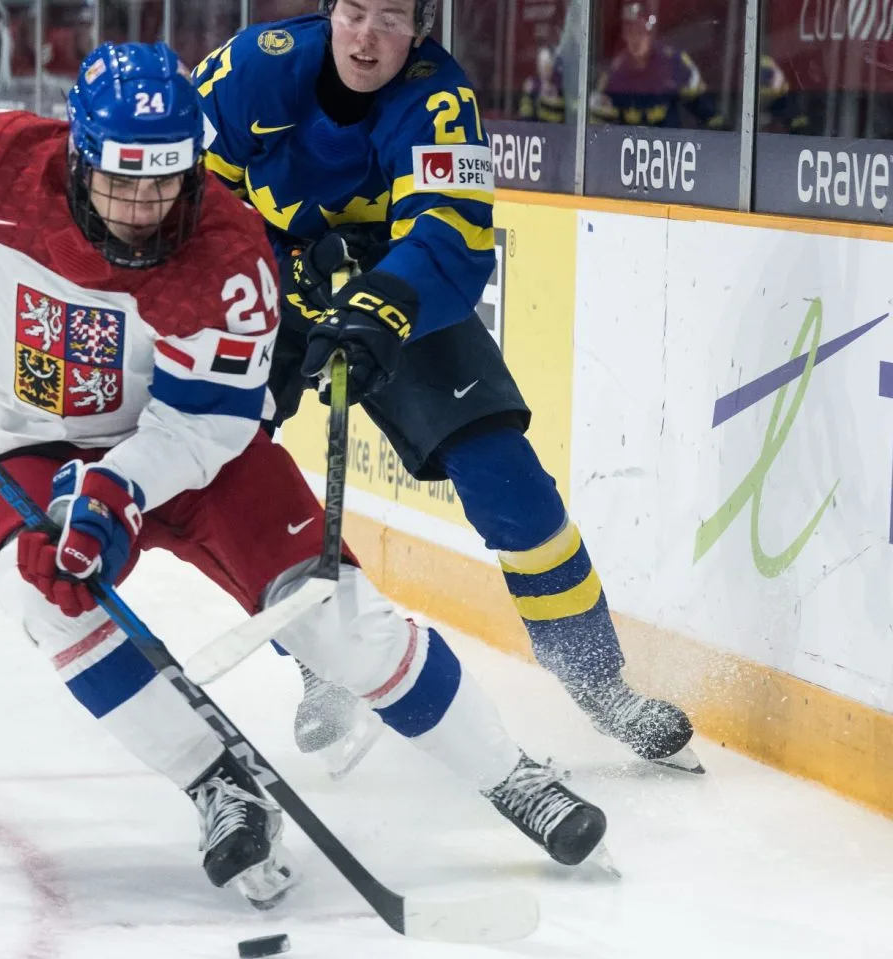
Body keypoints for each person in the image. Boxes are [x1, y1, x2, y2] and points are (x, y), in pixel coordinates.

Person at [0, 41, 610, 904]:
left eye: (165, 183)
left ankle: (510, 775)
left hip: (188, 451)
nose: (142, 208)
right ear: (76, 156)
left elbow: (206, 424)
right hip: (33, 443)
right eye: (121, 181)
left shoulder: (230, 259)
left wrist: (119, 490)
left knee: (336, 620)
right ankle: (215, 784)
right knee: (41, 587)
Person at [193, 0, 700, 774]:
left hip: (393, 290)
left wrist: (377, 301)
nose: (366, 37)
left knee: (506, 475)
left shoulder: (440, 99)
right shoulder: (252, 68)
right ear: (329, 11)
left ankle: (603, 685)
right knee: (231, 465)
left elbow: (451, 238)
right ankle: (324, 657)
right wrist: (271, 263)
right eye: (354, 11)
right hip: (259, 284)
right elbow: (189, 198)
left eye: (390, 19)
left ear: (421, 31)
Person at [590, 0, 724, 130]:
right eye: (630, 31)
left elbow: (709, 115)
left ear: (651, 33)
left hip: (670, 149)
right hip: (628, 150)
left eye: (641, 31)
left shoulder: (675, 63)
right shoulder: (614, 73)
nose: (636, 39)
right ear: (624, 35)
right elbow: (597, 127)